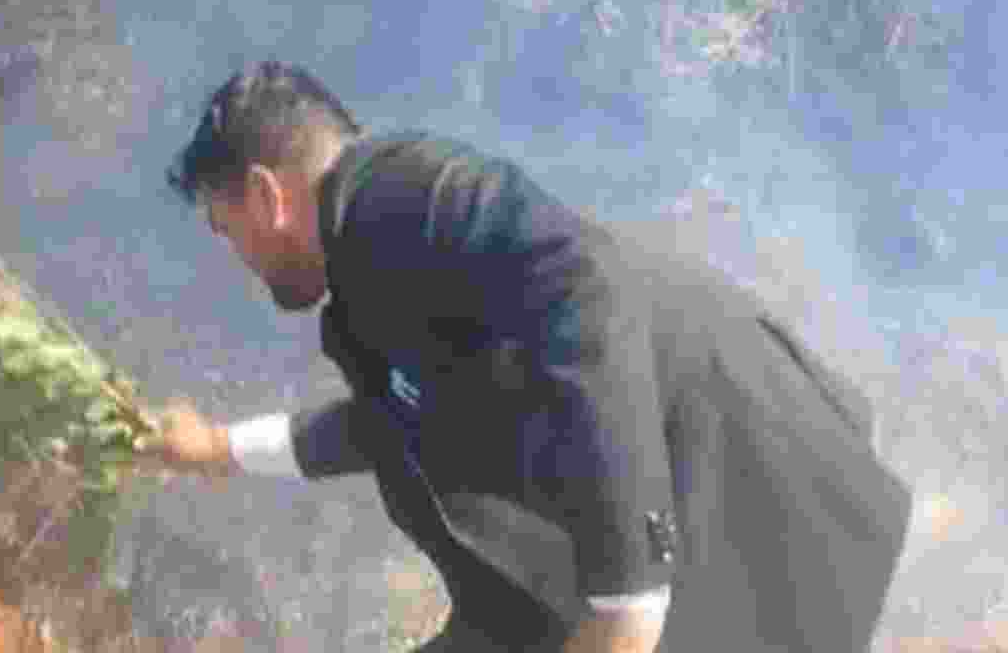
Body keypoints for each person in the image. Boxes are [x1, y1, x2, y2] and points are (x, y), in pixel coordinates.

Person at [142, 61, 913, 653]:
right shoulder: (370, 282)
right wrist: (216, 449)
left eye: (225, 228)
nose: (237, 255)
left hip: (750, 504)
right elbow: (387, 425)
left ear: (266, 196)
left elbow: (582, 286)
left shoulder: (401, 194)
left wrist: (627, 601)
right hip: (669, 563)